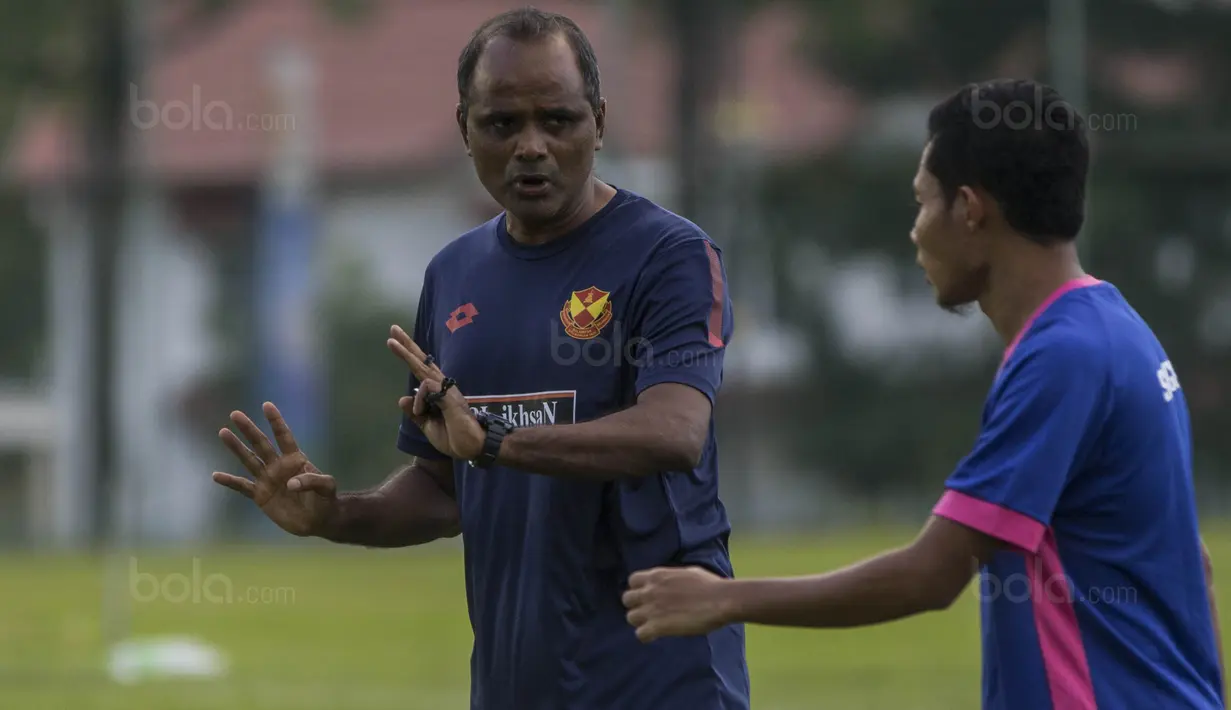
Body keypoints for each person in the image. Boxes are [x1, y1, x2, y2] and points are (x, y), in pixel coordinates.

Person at [621, 79, 1226, 709]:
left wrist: (722, 599)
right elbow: (1195, 566)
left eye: (922, 203)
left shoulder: (1063, 357)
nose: (915, 233)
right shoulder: (1120, 330)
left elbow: (932, 574)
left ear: (969, 209)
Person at [211, 7, 749, 710]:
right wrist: (335, 515)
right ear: (464, 127)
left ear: (599, 120)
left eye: (557, 120)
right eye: (502, 124)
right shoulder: (455, 273)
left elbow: (674, 434)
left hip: (657, 682)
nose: (531, 146)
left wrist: (495, 441)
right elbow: (441, 489)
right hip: (516, 684)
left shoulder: (667, 256)